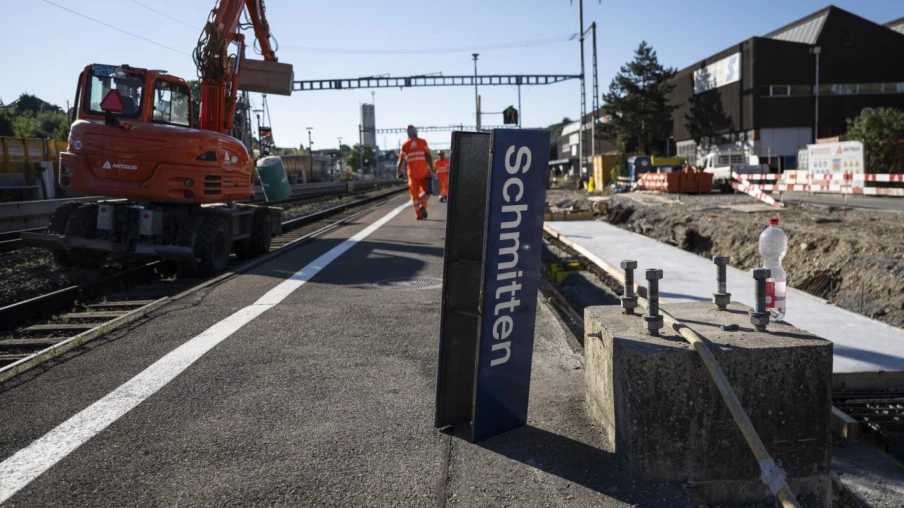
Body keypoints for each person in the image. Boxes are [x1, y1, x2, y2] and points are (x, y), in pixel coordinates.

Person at [397, 125, 434, 220]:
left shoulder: (405, 145)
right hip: (423, 172)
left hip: (412, 174)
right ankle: (423, 205)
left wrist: (399, 172)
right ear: (415, 132)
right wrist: (432, 168)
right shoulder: (422, 142)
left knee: (414, 195)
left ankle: (418, 214)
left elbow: (400, 161)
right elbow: (428, 156)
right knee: (428, 191)